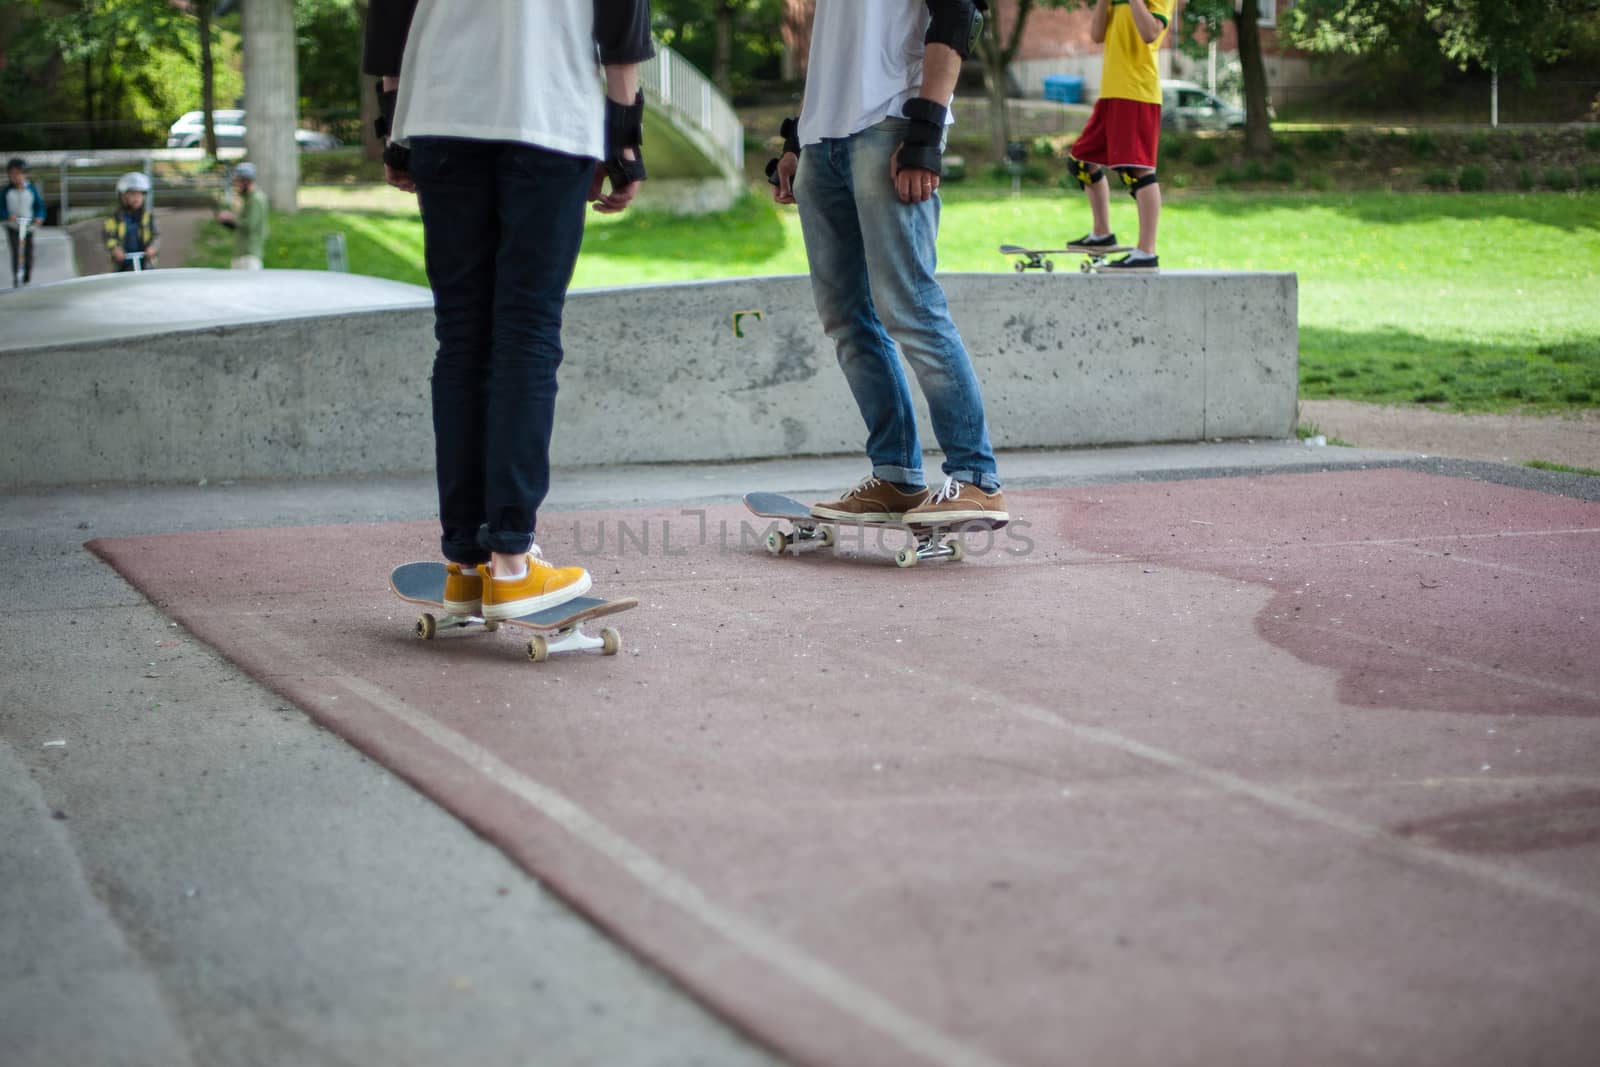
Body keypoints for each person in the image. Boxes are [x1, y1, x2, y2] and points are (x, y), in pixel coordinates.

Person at [363, 0, 651, 620]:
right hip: (545, 108)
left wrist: (394, 118)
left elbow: (391, 10)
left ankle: (466, 563)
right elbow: (621, 13)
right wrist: (625, 132)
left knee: (463, 336)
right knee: (526, 333)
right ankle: (514, 564)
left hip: (439, 109)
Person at [769, 0, 1008, 529]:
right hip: (822, 141)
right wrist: (797, 138)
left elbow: (958, 16)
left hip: (891, 126)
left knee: (911, 309)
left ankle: (976, 478)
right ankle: (896, 476)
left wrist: (925, 132)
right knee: (846, 319)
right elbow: (837, 45)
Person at [1063, 0, 1173, 272]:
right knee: (1081, 162)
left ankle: (1146, 252)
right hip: (1111, 91)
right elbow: (1097, 35)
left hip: (1137, 91)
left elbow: (1150, 33)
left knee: (1137, 170)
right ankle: (1102, 235)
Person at [214, 162, 269, 270]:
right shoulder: (247, 199)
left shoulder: (256, 199)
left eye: (238, 181)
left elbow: (250, 225)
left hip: (249, 254)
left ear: (246, 181)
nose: (236, 185)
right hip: (241, 252)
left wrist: (230, 218)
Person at [4, 157, 47, 287]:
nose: (15, 177)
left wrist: (39, 217)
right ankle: (17, 277)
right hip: (12, 226)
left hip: (28, 226)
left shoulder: (31, 190)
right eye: (12, 174)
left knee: (28, 253)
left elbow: (39, 207)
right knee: (16, 252)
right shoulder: (6, 191)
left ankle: (26, 277)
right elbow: (1, 208)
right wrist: (7, 215)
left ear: (25, 174)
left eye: (18, 173)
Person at [104, 171, 159, 272]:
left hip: (145, 262)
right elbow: (109, 237)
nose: (137, 198)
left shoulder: (147, 217)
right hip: (123, 264)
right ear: (123, 196)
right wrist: (114, 249)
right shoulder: (114, 218)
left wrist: (152, 247)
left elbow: (155, 235)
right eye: (133, 194)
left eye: (140, 195)